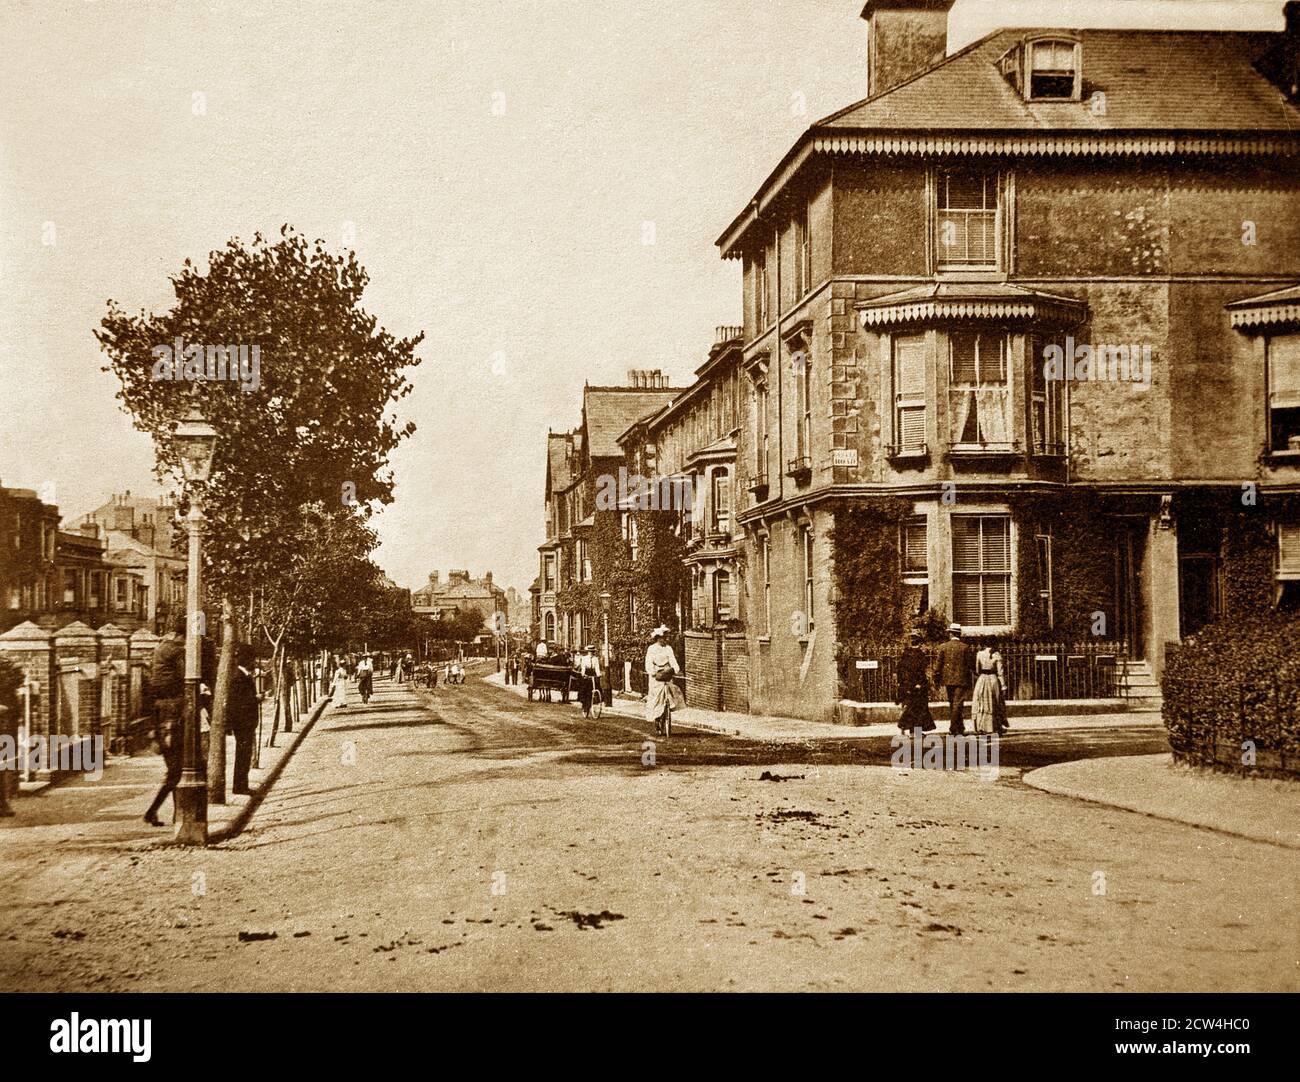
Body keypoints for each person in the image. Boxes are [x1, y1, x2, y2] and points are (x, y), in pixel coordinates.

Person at [143, 613, 214, 826]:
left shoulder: (160, 648)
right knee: (180, 771)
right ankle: (161, 813)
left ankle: (167, 814)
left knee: (176, 772)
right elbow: (188, 676)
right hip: (173, 720)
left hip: (163, 718)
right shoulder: (176, 650)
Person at [229, 644, 260, 795]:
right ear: (246, 659)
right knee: (242, 755)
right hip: (242, 722)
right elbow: (239, 702)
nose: (253, 662)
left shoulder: (244, 675)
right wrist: (256, 698)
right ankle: (239, 787)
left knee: (244, 755)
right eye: (252, 659)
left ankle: (242, 785)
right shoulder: (238, 677)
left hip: (245, 722)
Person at [934, 623, 975, 736]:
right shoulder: (965, 647)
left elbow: (938, 665)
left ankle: (958, 728)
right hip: (962, 679)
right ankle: (954, 728)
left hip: (948, 679)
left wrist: (936, 677)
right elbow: (970, 664)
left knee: (953, 703)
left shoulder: (943, 647)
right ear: (959, 634)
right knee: (958, 704)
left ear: (951, 634)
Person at [644, 626, 683, 736]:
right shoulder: (652, 649)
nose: (665, 639)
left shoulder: (668, 648)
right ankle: (657, 718)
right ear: (658, 638)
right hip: (656, 676)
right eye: (663, 638)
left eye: (666, 638)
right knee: (656, 698)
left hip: (666, 674)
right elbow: (648, 662)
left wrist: (676, 669)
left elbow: (672, 660)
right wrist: (652, 672)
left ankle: (667, 712)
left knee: (670, 693)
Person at [896, 630, 935, 733]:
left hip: (906, 685)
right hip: (917, 686)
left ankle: (908, 728)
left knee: (910, 707)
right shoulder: (919, 654)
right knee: (919, 709)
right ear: (920, 643)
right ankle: (914, 731)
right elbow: (920, 671)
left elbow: (899, 670)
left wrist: (901, 683)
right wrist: (919, 683)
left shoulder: (905, 654)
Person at [971, 643, 1008, 737]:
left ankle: (981, 726)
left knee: (981, 702)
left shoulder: (979, 654)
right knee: (994, 702)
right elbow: (1000, 672)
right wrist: (1003, 685)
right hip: (992, 679)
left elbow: (977, 670)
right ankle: (995, 726)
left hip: (982, 679)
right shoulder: (997, 655)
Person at [575, 644, 602, 718]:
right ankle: (584, 707)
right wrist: (583, 674)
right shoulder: (584, 658)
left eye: (592, 651)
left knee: (597, 687)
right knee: (585, 690)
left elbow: (597, 667)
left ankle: (596, 700)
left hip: (593, 674)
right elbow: (583, 667)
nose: (591, 653)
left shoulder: (596, 659)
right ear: (588, 652)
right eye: (590, 651)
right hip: (586, 675)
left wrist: (598, 674)